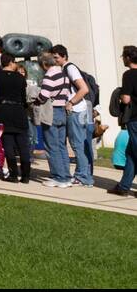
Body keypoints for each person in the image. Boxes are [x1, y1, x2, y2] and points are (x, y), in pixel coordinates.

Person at [52, 45, 94, 188]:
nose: (55, 60)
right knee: (79, 144)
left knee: (77, 145)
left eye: (56, 57)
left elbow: (84, 89)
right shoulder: (66, 68)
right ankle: (84, 175)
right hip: (79, 110)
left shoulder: (70, 68)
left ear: (64, 56)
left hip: (76, 110)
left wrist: (70, 102)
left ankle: (83, 177)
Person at [0, 54, 32, 184]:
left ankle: (13, 174)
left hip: (3, 110)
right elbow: (24, 98)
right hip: (18, 110)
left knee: (7, 143)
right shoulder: (20, 77)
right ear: (11, 62)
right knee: (23, 144)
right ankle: (26, 175)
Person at [35, 49, 73, 188]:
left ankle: (59, 177)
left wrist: (36, 100)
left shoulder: (49, 75)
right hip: (62, 110)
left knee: (51, 146)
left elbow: (44, 95)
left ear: (44, 64)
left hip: (52, 112)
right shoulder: (63, 75)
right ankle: (66, 176)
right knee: (61, 145)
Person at [107, 45, 137, 197]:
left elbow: (126, 98)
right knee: (131, 153)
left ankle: (123, 187)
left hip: (135, 118)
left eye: (123, 57)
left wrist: (121, 95)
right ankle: (123, 187)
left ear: (128, 58)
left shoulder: (129, 75)